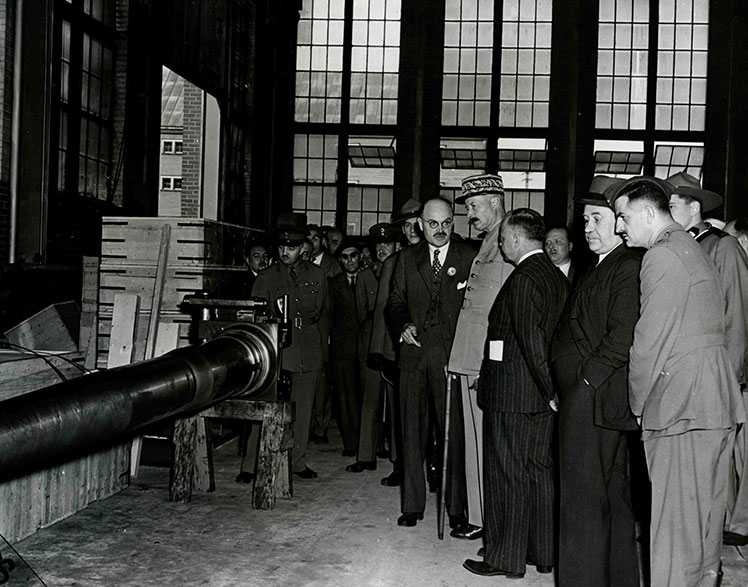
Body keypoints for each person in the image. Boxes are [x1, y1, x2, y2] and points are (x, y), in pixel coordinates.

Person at [612, 176, 746, 587]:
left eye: (623, 216)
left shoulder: (663, 255)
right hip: (712, 402)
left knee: (673, 530)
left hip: (682, 406)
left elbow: (649, 342)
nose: (620, 226)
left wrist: (637, 404)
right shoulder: (693, 247)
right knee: (703, 524)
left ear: (649, 213)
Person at [464, 208, 569, 579]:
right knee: (538, 471)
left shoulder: (523, 278)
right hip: (538, 396)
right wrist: (551, 391)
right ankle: (542, 552)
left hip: (515, 393)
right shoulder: (555, 276)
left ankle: (504, 558)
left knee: (506, 474)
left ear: (517, 238)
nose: (502, 243)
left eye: (504, 237)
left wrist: (547, 388)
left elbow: (530, 338)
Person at [551, 175, 640, 586]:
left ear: (620, 222)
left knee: (584, 501)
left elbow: (621, 337)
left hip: (593, 402)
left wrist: (583, 385)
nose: (587, 229)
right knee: (608, 497)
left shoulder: (625, 267)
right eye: (585, 221)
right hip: (588, 400)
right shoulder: (600, 264)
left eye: (597, 220)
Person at [387, 197, 475, 527]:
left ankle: (456, 511)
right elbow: (394, 303)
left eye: (447, 223)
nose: (440, 231)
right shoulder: (407, 259)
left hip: (451, 358)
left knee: (452, 435)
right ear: (420, 225)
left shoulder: (468, 255)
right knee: (411, 431)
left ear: (455, 222)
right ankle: (412, 505)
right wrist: (402, 325)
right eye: (433, 224)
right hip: (413, 355)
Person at [446, 174, 513, 541]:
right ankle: (480, 515)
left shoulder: (507, 241)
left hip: (484, 359)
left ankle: (489, 519)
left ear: (494, 201)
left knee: (485, 443)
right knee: (474, 442)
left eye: (473, 206)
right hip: (469, 357)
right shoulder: (489, 241)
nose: (469, 214)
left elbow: (503, 311)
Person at [251, 213, 329, 479]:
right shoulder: (265, 278)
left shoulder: (317, 275)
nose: (286, 252)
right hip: (275, 349)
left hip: (307, 347)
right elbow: (257, 318)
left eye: (292, 248)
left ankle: (297, 461)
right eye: (282, 247)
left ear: (302, 248)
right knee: (263, 406)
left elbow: (320, 313)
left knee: (303, 409)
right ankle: (251, 464)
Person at [369, 198, 422, 487]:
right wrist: (379, 349)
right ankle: (401, 466)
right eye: (406, 226)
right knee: (400, 414)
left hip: (432, 350)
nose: (412, 230)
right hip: (397, 350)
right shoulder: (393, 262)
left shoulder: (440, 256)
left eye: (416, 224)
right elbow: (382, 308)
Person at [346, 222, 402, 473]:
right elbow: (360, 313)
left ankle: (398, 459)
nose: (381, 249)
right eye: (378, 245)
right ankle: (365, 456)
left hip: (393, 343)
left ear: (396, 246)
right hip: (369, 344)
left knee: (396, 404)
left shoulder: (403, 271)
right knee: (369, 401)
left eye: (386, 245)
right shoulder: (365, 276)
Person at [328, 241, 364, 459]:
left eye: (353, 255)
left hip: (366, 349)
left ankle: (370, 444)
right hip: (343, 350)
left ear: (360, 256)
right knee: (345, 399)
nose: (350, 260)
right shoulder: (333, 284)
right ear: (340, 260)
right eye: (344, 257)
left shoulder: (371, 278)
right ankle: (351, 443)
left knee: (367, 399)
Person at [307, 224, 342, 446]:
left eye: (316, 238)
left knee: (322, 381)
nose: (311, 242)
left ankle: (321, 427)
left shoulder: (332, 266)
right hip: (306, 330)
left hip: (325, 329)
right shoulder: (301, 262)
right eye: (307, 238)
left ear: (323, 242)